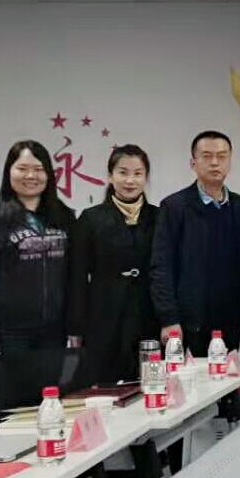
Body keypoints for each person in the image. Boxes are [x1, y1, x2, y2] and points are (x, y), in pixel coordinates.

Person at [0, 140, 74, 363]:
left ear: (48, 174)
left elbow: (74, 275)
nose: (31, 176)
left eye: (38, 169)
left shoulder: (63, 216)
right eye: (22, 169)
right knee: (14, 388)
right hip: (9, 335)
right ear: (9, 172)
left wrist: (75, 325)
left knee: (50, 387)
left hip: (54, 333)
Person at [150, 130, 240, 358]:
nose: (215, 162)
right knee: (187, 379)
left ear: (230, 162)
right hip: (187, 322)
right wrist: (169, 318)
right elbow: (161, 267)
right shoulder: (174, 207)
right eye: (207, 156)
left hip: (229, 320)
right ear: (193, 163)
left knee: (227, 377)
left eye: (222, 156)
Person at [67, 144, 159, 386]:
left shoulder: (159, 217)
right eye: (123, 172)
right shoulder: (91, 218)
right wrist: (76, 326)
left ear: (146, 177)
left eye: (138, 173)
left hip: (149, 314)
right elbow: (77, 277)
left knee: (152, 384)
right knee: (105, 388)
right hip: (104, 316)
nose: (130, 180)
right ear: (110, 176)